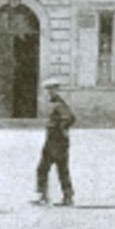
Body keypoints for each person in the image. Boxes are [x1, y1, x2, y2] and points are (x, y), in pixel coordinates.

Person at [33, 78, 75, 206]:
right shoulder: (55, 103)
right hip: (53, 141)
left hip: (57, 142)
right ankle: (51, 196)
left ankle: (62, 197)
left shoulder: (59, 104)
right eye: (48, 89)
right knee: (46, 169)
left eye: (51, 89)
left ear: (55, 90)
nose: (49, 92)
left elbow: (70, 118)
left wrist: (61, 130)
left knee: (54, 169)